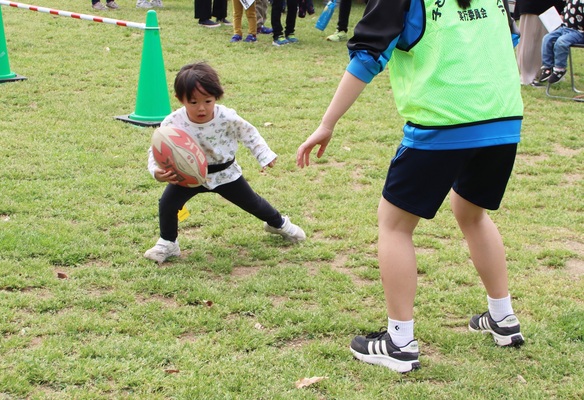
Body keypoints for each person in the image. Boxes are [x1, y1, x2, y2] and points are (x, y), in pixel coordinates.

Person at [296, 0, 525, 373]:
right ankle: (503, 318)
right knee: (471, 213)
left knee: (394, 224)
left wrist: (327, 123)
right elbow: (508, 39)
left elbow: (368, 56)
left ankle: (399, 342)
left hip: (442, 121)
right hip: (503, 119)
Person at [145, 62, 306, 264]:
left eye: (208, 101)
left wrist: (264, 154)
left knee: (253, 203)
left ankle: (278, 223)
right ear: (180, 99)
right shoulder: (172, 122)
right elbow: (157, 149)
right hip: (186, 175)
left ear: (217, 97)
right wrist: (156, 171)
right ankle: (168, 243)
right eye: (193, 102)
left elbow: (249, 134)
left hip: (225, 173)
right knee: (168, 203)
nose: (201, 108)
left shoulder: (227, 117)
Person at [514, 0, 565, 85]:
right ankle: (527, 76)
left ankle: (546, 72)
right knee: (529, 40)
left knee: (549, 39)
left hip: (552, 6)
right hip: (532, 5)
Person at [536, 0, 584, 84]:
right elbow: (565, 12)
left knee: (561, 42)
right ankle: (548, 67)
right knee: (547, 38)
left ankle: (560, 69)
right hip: (564, 27)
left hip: (579, 32)